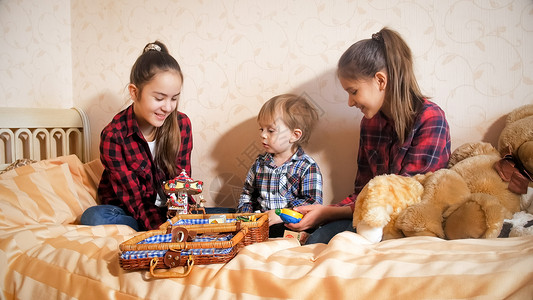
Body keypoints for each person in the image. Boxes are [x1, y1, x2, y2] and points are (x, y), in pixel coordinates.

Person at [286, 27, 451, 244]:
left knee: (333, 239)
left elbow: (411, 195)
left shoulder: (431, 119)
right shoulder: (370, 124)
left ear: (380, 81)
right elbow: (363, 192)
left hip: (413, 222)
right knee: (316, 240)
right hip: (371, 217)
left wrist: (329, 212)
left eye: (353, 91)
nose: (350, 102)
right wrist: (324, 211)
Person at [81, 41, 232, 231]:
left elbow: (181, 184)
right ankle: (147, 229)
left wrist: (182, 219)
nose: (168, 107)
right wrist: (164, 231)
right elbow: (135, 200)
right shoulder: (114, 136)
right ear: (134, 93)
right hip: (130, 211)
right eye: (159, 98)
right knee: (93, 217)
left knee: (234, 216)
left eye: (174, 98)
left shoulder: (181, 124)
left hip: (170, 210)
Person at [237, 94, 323, 238]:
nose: (263, 135)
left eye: (270, 130)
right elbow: (247, 194)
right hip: (261, 224)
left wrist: (280, 214)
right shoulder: (260, 163)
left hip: (289, 225)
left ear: (295, 135)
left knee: (309, 235)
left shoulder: (307, 167)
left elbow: (312, 204)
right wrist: (247, 215)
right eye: (261, 129)